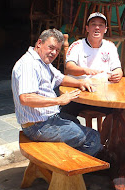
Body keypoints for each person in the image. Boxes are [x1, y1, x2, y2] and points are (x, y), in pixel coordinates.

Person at [11, 28, 102, 157]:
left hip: (46, 120)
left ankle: (65, 161)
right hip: (38, 126)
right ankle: (68, 169)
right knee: (93, 137)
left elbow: (61, 78)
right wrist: (59, 100)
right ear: (39, 44)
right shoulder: (29, 64)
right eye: (51, 47)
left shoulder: (42, 62)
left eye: (57, 50)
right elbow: (26, 98)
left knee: (73, 121)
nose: (53, 53)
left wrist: (80, 83)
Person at [61, 12, 124, 117]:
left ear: (105, 29)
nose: (97, 28)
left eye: (101, 25)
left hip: (103, 94)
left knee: (122, 111)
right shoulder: (77, 45)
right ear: (87, 28)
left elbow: (117, 68)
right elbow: (69, 68)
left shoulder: (110, 46)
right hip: (80, 93)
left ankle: (107, 133)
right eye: (93, 24)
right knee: (65, 115)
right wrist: (85, 70)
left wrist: (118, 74)